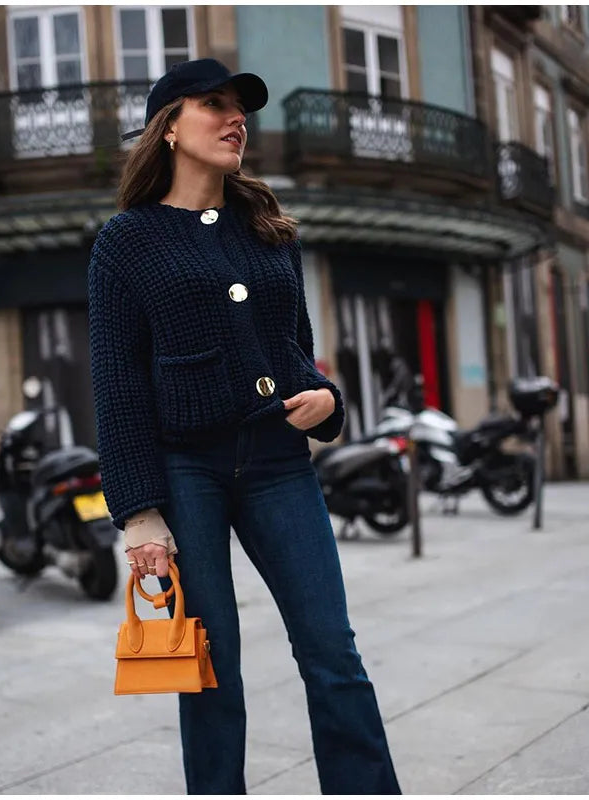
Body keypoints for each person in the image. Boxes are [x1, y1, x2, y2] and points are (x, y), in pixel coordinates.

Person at [87, 58, 401, 795]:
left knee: (333, 653)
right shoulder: (125, 242)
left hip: (278, 463)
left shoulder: (269, 228)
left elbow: (296, 348)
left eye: (242, 109)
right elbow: (117, 383)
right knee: (211, 669)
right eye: (216, 105)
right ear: (169, 127)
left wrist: (326, 397)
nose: (237, 120)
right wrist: (138, 513)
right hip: (183, 471)